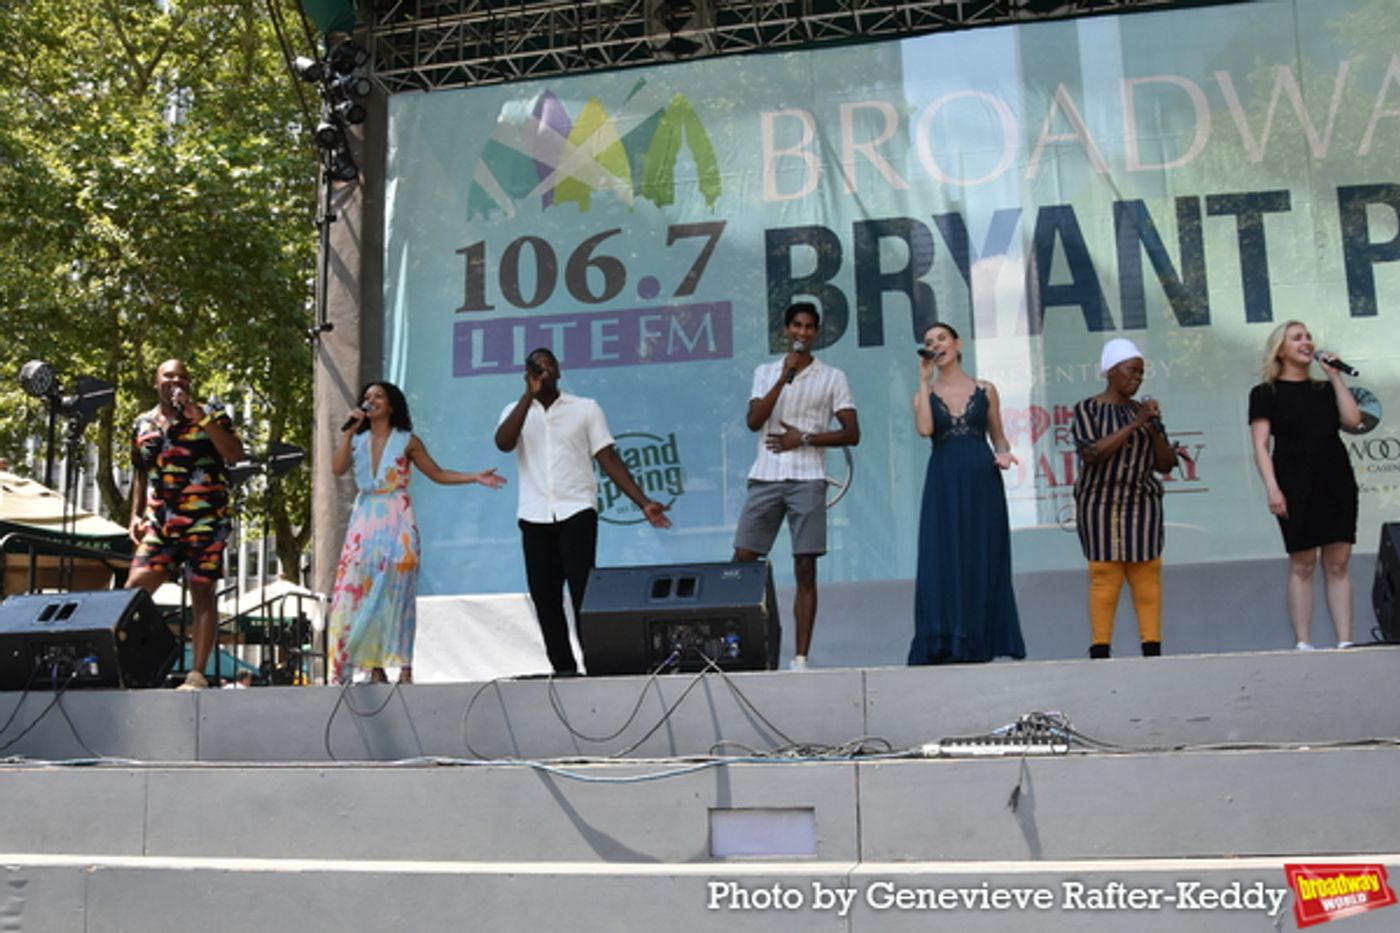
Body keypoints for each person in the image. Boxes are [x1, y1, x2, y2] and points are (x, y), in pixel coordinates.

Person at [494, 348, 671, 675]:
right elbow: (504, 442)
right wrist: (526, 396)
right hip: (534, 516)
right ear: (527, 375)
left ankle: (596, 664)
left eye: (549, 366)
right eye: (537, 367)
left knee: (584, 595)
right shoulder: (514, 411)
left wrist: (643, 502)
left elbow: (610, 460)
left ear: (559, 371)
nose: (544, 372)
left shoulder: (585, 409)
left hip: (576, 512)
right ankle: (564, 670)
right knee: (545, 599)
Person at [329, 381, 505, 684]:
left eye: (379, 396)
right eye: (367, 397)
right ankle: (375, 667)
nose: (371, 401)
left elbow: (437, 473)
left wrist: (474, 477)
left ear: (392, 405)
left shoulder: (407, 441)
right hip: (366, 520)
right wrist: (348, 431)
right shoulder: (357, 440)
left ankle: (405, 666)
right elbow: (337, 468)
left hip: (398, 516)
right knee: (367, 589)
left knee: (398, 587)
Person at [732, 301, 859, 671]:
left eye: (809, 327)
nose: (802, 333)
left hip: (807, 477)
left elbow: (852, 433)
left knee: (805, 565)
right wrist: (781, 378)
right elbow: (754, 420)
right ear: (786, 331)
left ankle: (800, 658)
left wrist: (802, 438)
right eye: (796, 326)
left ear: (816, 332)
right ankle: (743, 647)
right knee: (742, 559)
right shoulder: (766, 371)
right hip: (767, 475)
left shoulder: (832, 377)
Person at [907, 323, 1025, 665]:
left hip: (981, 482)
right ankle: (947, 638)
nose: (936, 345)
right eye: (929, 342)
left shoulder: (986, 389)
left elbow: (998, 436)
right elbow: (926, 429)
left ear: (958, 344)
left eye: (941, 338)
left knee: (981, 554)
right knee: (943, 556)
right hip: (944, 482)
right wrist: (924, 379)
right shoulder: (923, 395)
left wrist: (1002, 454)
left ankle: (980, 638)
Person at [126, 359, 245, 690]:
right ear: (156, 382)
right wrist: (134, 514)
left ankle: (197, 674)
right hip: (160, 521)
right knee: (132, 593)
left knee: (202, 593)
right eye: (169, 375)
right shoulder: (142, 423)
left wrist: (202, 419)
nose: (176, 380)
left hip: (204, 519)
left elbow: (235, 454)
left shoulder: (212, 414)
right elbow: (140, 470)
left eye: (182, 376)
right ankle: (136, 665)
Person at [1248, 321, 1362, 650]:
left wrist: (1335, 376)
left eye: (1308, 336)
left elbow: (1353, 421)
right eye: (1297, 338)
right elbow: (1260, 446)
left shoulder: (1324, 389)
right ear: (1280, 349)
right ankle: (1304, 642)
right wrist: (1272, 487)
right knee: (1302, 562)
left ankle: (1345, 640)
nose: (1306, 342)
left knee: (1338, 562)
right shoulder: (1265, 393)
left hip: (1335, 478)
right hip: (1293, 481)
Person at [1072, 338, 1179, 658]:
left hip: (1142, 503)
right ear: (1111, 370)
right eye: (1132, 371)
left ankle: (1152, 649)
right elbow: (1092, 453)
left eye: (1141, 373)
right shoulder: (1087, 409)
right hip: (1100, 502)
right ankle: (1101, 650)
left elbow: (1165, 464)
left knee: (1146, 572)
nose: (1137, 378)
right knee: (1105, 575)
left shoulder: (1143, 414)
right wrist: (1136, 424)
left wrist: (1154, 427)